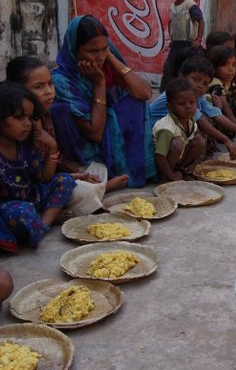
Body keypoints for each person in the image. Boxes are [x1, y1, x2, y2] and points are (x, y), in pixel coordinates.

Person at [6, 56, 128, 214]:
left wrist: (78, 174)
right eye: (39, 87)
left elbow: (56, 160)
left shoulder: (46, 115)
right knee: (83, 191)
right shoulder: (17, 127)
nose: (49, 91)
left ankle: (92, 191)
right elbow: (34, 177)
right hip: (30, 189)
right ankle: (102, 189)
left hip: (50, 178)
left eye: (50, 83)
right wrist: (73, 178)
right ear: (19, 89)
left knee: (98, 169)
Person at [51, 15, 156, 189]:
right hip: (86, 144)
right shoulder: (62, 81)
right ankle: (105, 174)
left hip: (104, 126)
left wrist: (111, 58)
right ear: (74, 50)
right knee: (61, 110)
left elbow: (145, 93)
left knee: (135, 102)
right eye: (93, 51)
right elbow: (95, 133)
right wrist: (99, 83)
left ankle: (137, 170)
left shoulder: (106, 62)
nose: (100, 56)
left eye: (104, 48)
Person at [0, 82, 76, 252]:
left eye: (29, 117)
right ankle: (35, 222)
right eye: (19, 117)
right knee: (22, 212)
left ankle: (42, 224)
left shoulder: (24, 146)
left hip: (31, 198)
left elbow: (45, 177)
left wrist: (53, 147)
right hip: (10, 212)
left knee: (64, 179)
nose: (27, 124)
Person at [160, 0, 205, 89]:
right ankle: (166, 94)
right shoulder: (173, 6)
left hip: (189, 45)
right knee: (169, 69)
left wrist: (198, 40)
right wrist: (172, 39)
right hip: (177, 45)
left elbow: (201, 21)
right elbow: (172, 23)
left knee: (186, 71)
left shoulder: (190, 4)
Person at [153, 77, 205, 181]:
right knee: (177, 143)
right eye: (181, 104)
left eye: (192, 102)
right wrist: (170, 175)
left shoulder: (191, 122)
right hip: (163, 164)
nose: (188, 107)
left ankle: (183, 169)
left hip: (180, 158)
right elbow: (160, 156)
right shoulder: (166, 127)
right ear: (170, 107)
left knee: (200, 140)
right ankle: (167, 176)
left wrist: (194, 164)